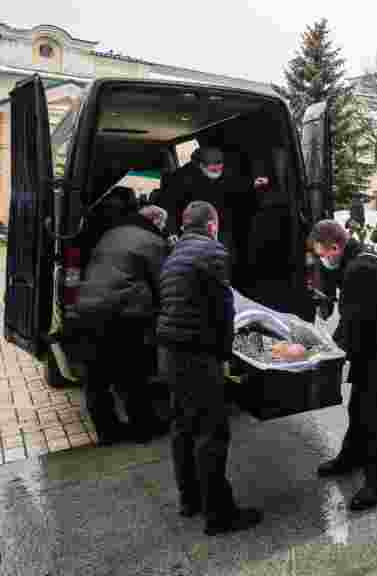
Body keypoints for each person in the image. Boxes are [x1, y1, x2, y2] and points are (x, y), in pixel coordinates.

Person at [156, 201, 262, 536]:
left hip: (170, 351)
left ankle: (190, 500)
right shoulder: (213, 252)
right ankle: (219, 515)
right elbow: (222, 308)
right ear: (212, 224)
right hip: (198, 355)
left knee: (182, 427)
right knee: (212, 433)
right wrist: (227, 353)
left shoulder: (172, 253)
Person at [312, 220, 377, 511]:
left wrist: (323, 351)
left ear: (336, 247)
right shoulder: (354, 261)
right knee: (358, 407)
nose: (322, 259)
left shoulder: (361, 269)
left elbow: (353, 324)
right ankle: (351, 457)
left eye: (322, 253)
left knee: (376, 416)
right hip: (376, 348)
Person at [69, 200, 169, 445]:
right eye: (163, 225)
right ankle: (143, 428)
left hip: (86, 309)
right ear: (155, 221)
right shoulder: (152, 241)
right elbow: (163, 284)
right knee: (133, 374)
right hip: (124, 314)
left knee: (96, 379)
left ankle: (107, 432)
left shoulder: (110, 233)